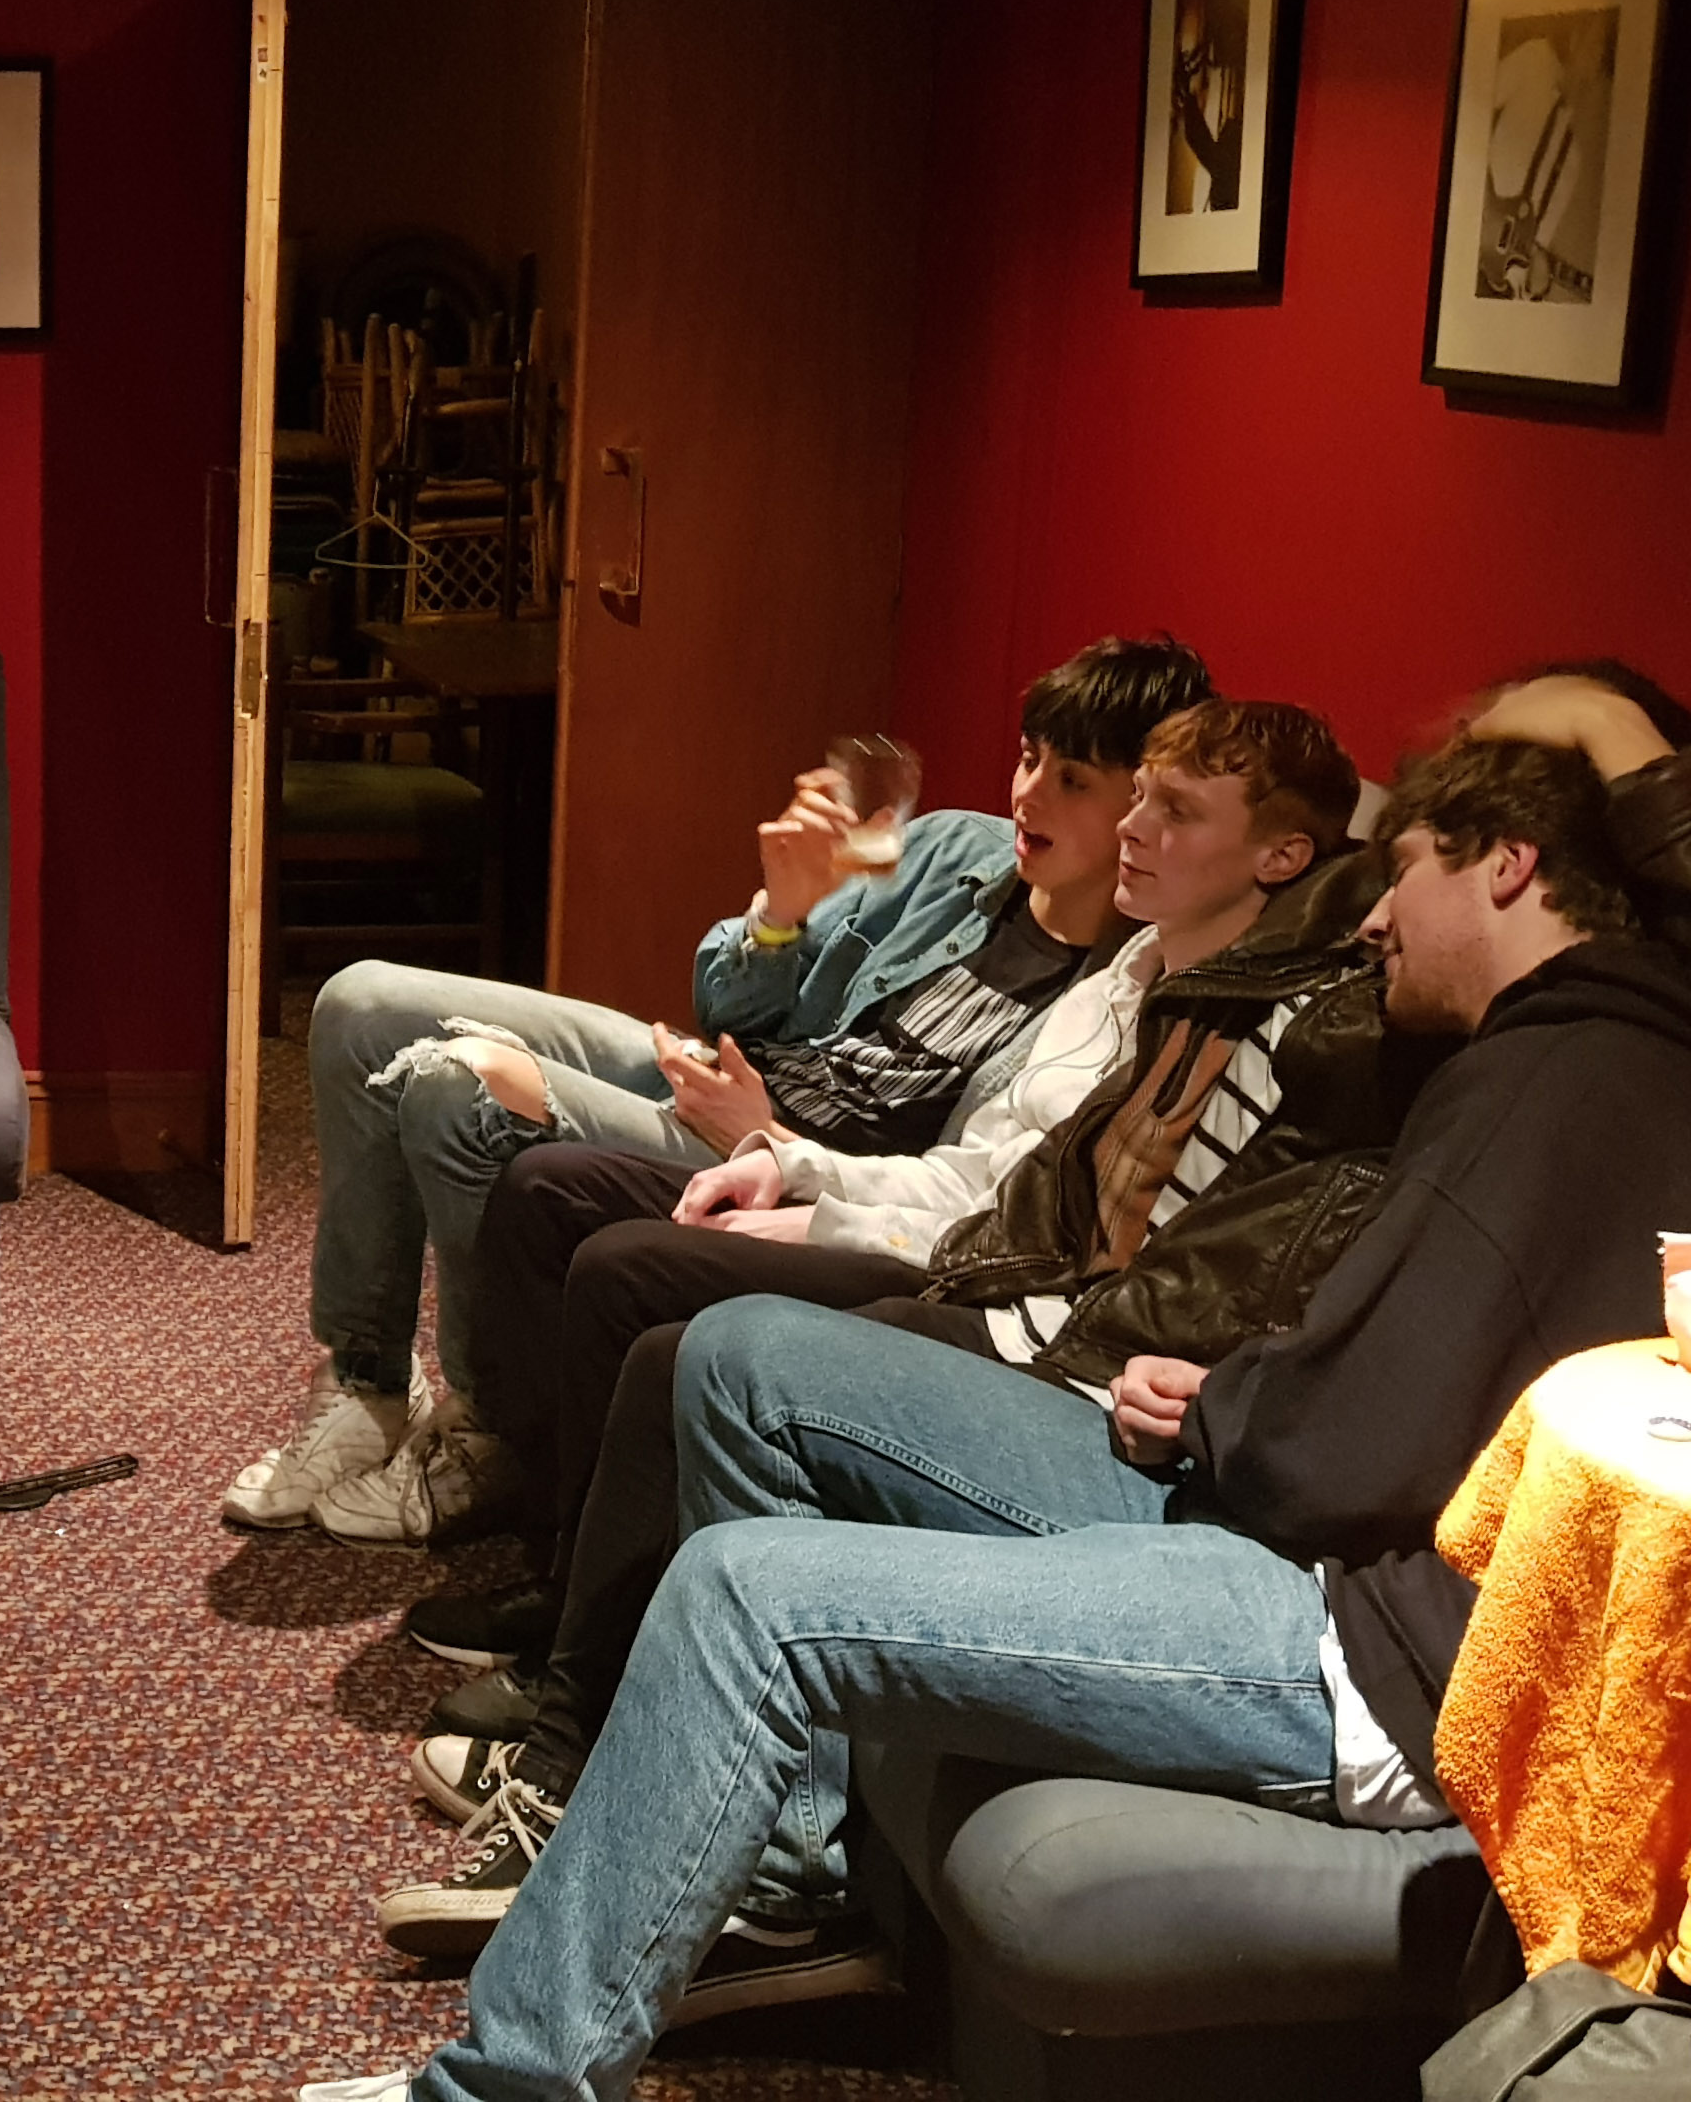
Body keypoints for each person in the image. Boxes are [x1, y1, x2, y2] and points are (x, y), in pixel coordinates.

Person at [297, 720, 1691, 2102]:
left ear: (1511, 867)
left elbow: (1346, 1454)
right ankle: (776, 1880)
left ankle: (509, 2079)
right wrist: (1238, 1398)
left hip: (1379, 1646)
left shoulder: (1567, 1087)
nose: (1376, 912)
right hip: (1318, 1539)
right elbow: (1404, 1392)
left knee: (744, 1598)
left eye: (1410, 870)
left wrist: (1229, 1418)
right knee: (745, 1355)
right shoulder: (1564, 1065)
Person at [401, 701, 1354, 1733]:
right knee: (546, 1182)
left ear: (1282, 856)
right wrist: (789, 1140)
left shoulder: (1239, 1024)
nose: (1126, 823)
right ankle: (561, 1581)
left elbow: (1039, 1230)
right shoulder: (1067, 942)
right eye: (1030, 760)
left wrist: (814, 1199)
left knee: (645, 1292)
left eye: (1164, 807)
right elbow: (936, 1140)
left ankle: (579, 1694)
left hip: (981, 1282)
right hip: (852, 1167)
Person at [225, 637, 1214, 1547]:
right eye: (1030, 757)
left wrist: (770, 1137)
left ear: (1143, 805)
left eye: (1073, 780)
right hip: (733, 1077)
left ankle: (486, 1433)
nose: (1030, 794)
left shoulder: (1123, 992)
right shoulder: (958, 850)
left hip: (782, 1161)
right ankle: (367, 1381)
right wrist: (782, 912)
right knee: (359, 1003)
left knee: (459, 1089)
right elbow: (726, 1000)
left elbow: (970, 1191)